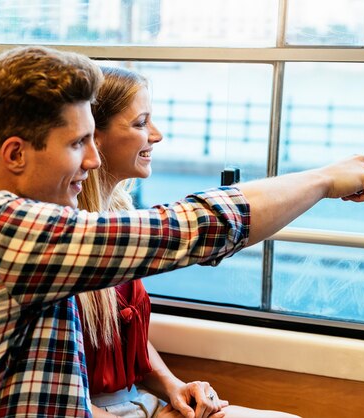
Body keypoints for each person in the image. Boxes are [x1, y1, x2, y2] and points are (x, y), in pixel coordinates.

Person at [0, 45, 364, 417]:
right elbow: (189, 228)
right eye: (78, 143)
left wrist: (165, 389)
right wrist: (321, 180)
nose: (91, 158)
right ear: (15, 154)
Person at [76, 66, 300, 418]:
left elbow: (124, 334)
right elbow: (62, 402)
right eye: (140, 123)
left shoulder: (118, 215)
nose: (157, 134)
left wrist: (174, 387)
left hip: (137, 401)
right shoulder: (68, 238)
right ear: (94, 137)